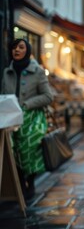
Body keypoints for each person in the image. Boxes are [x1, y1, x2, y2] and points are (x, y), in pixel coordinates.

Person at [1, 38, 54, 199]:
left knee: (28, 149)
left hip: (31, 118)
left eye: (21, 47)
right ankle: (19, 183)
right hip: (10, 118)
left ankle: (30, 182)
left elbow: (48, 96)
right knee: (11, 150)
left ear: (28, 50)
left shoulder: (37, 71)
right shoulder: (7, 71)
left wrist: (27, 104)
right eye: (14, 47)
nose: (16, 50)